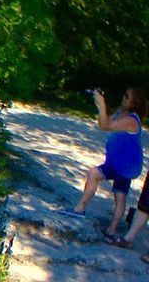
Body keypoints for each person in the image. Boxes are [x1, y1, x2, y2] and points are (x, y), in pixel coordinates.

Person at [59, 88, 146, 239]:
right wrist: (101, 108)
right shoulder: (122, 114)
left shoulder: (131, 120)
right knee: (120, 195)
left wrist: (102, 104)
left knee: (94, 173)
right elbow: (103, 122)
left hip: (121, 165)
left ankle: (80, 208)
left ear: (134, 103)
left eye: (127, 97)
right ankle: (111, 230)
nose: (123, 98)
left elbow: (105, 126)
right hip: (126, 165)